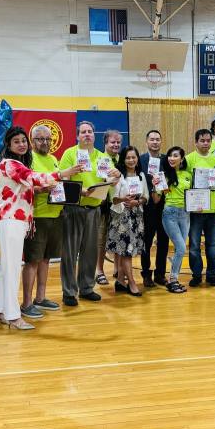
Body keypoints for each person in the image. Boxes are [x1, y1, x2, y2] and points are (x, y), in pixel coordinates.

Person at [0, 126, 75, 329]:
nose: (21, 144)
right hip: (11, 219)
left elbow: (30, 186)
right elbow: (35, 177)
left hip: (15, 219)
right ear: (8, 145)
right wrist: (63, 173)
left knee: (4, 267)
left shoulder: (15, 164)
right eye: (16, 141)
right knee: (11, 269)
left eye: (23, 141)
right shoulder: (10, 163)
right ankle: (12, 315)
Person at [59, 121, 120, 306]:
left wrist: (115, 177)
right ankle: (69, 292)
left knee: (90, 251)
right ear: (78, 136)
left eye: (90, 131)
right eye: (83, 132)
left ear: (94, 135)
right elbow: (63, 179)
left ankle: (86, 288)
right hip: (73, 209)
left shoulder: (103, 157)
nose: (87, 134)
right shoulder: (70, 154)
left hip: (94, 210)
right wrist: (81, 191)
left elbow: (110, 181)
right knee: (70, 252)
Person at [19, 125, 65, 320]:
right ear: (32, 140)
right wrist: (40, 189)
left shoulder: (54, 159)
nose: (45, 142)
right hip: (36, 216)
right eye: (40, 139)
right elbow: (22, 188)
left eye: (48, 139)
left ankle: (40, 298)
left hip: (55, 216)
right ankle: (27, 303)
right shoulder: (27, 159)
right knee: (32, 261)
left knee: (46, 259)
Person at [107, 146, 149, 297]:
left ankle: (120, 280)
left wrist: (137, 203)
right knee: (126, 252)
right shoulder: (118, 177)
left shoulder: (141, 176)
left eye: (134, 157)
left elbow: (145, 197)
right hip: (122, 218)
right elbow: (113, 198)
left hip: (137, 217)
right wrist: (124, 200)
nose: (131, 160)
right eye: (128, 158)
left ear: (138, 158)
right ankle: (131, 282)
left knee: (129, 251)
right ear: (123, 160)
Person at [186, 129, 215, 287]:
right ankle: (196, 275)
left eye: (208, 140)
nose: (205, 143)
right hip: (196, 211)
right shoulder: (188, 159)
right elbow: (185, 182)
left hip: (213, 210)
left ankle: (212, 275)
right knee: (194, 245)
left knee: (212, 245)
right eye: (202, 140)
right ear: (196, 142)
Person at [154, 146, 190, 294]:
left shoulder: (188, 175)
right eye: (170, 155)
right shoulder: (163, 176)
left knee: (180, 249)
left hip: (186, 214)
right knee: (181, 248)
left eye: (175, 155)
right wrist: (155, 186)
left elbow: (195, 194)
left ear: (181, 158)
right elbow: (156, 200)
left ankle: (174, 279)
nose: (171, 158)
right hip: (170, 214)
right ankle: (173, 280)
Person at [138, 130, 170, 287]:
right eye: (152, 139)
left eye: (158, 139)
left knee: (163, 241)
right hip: (147, 206)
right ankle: (146, 274)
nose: (155, 142)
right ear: (147, 142)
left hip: (164, 206)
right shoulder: (140, 160)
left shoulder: (166, 160)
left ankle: (160, 274)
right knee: (147, 241)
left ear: (161, 142)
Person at [96, 129, 123, 286]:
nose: (116, 145)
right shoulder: (101, 159)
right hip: (104, 204)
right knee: (102, 239)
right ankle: (99, 271)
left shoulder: (122, 158)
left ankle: (117, 268)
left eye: (118, 142)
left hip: (119, 204)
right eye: (113, 142)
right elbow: (102, 180)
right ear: (105, 143)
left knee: (118, 237)